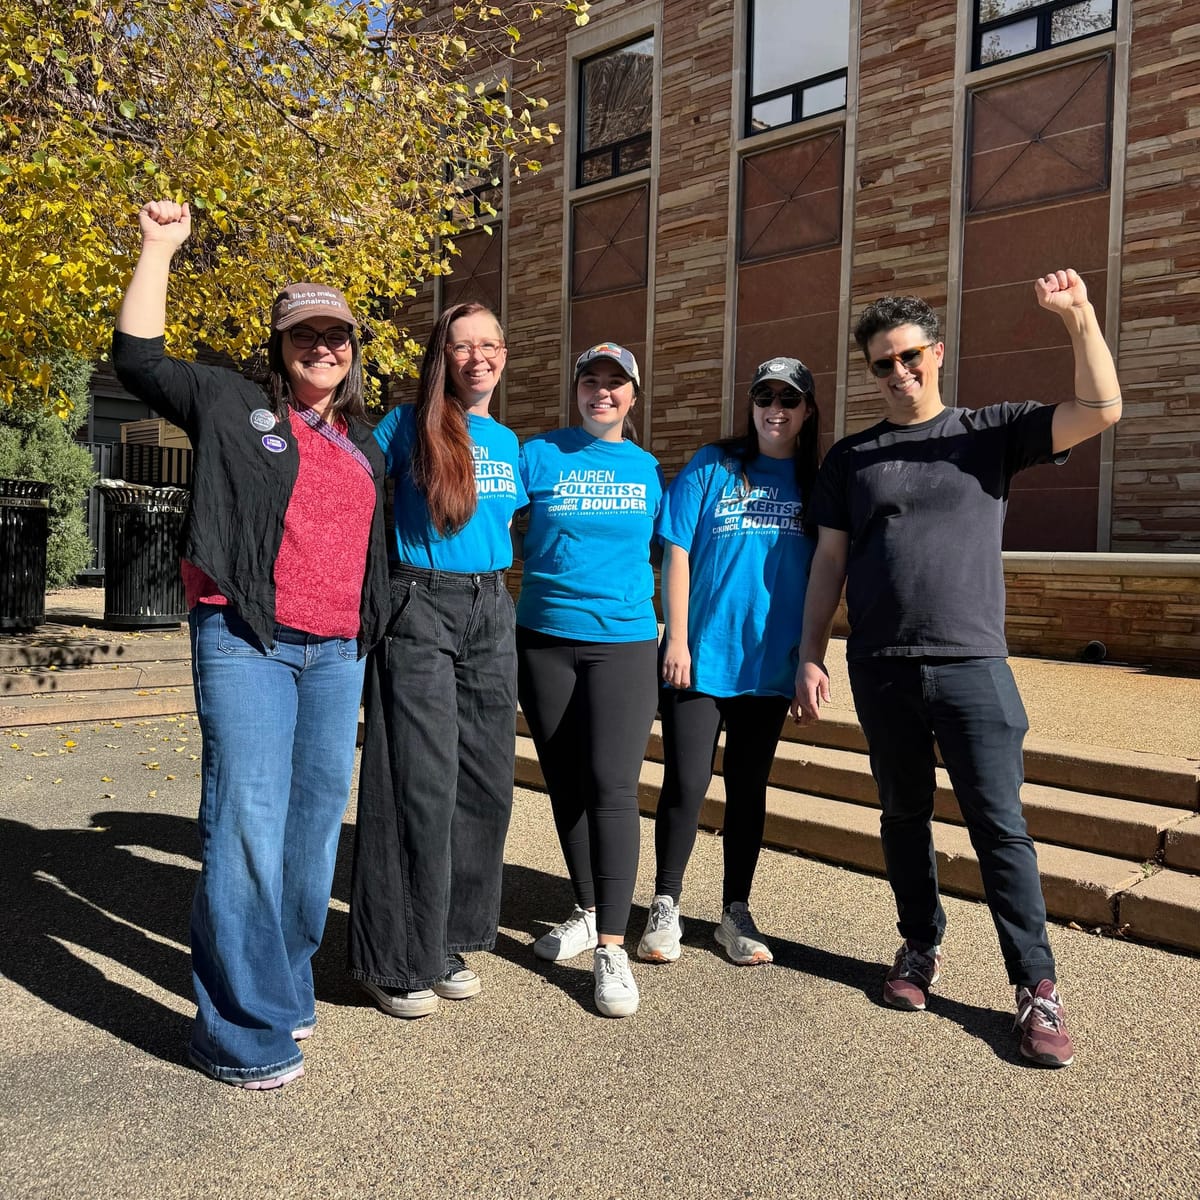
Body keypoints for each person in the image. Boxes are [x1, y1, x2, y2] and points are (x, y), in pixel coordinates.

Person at [793, 269, 1122, 1068]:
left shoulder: (990, 432)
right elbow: (829, 559)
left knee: (999, 827)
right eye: (881, 363)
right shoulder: (852, 457)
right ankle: (919, 948)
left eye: (909, 357)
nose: (898, 373)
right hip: (882, 667)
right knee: (903, 817)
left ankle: (1036, 987)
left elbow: (1102, 410)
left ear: (937, 354)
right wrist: (811, 650)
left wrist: (1079, 318)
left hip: (973, 664)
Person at [112, 200, 389, 1090]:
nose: (323, 349)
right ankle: (239, 1032)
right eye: (305, 336)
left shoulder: (362, 441)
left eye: (337, 337)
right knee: (244, 826)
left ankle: (283, 981)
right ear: (279, 346)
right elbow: (140, 360)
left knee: (310, 836)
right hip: (248, 641)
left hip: (336, 654)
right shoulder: (231, 402)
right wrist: (158, 247)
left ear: (353, 349)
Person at [348, 302, 526, 1018]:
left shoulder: (510, 441)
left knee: (485, 781)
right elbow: (346, 493)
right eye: (462, 346)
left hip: (492, 609)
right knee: (415, 783)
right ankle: (393, 956)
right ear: (441, 356)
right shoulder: (404, 424)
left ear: (504, 355)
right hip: (421, 604)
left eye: (489, 345)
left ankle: (447, 935)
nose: (477, 356)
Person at [637, 357, 820, 968]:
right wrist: (677, 638)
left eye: (788, 400)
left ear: (807, 412)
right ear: (751, 405)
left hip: (769, 666)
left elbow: (826, 575)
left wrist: (809, 661)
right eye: (764, 396)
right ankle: (666, 901)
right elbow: (678, 550)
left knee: (748, 789)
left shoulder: (816, 482)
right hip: (701, 658)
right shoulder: (714, 465)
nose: (775, 409)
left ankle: (734, 911)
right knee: (685, 783)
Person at [515, 344, 663, 1017]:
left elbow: (680, 553)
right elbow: (485, 512)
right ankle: (587, 906)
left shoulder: (648, 470)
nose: (602, 393)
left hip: (623, 643)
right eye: (591, 382)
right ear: (575, 389)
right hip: (543, 640)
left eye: (615, 384)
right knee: (566, 783)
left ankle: (610, 946)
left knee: (611, 787)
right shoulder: (539, 454)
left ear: (633, 396)